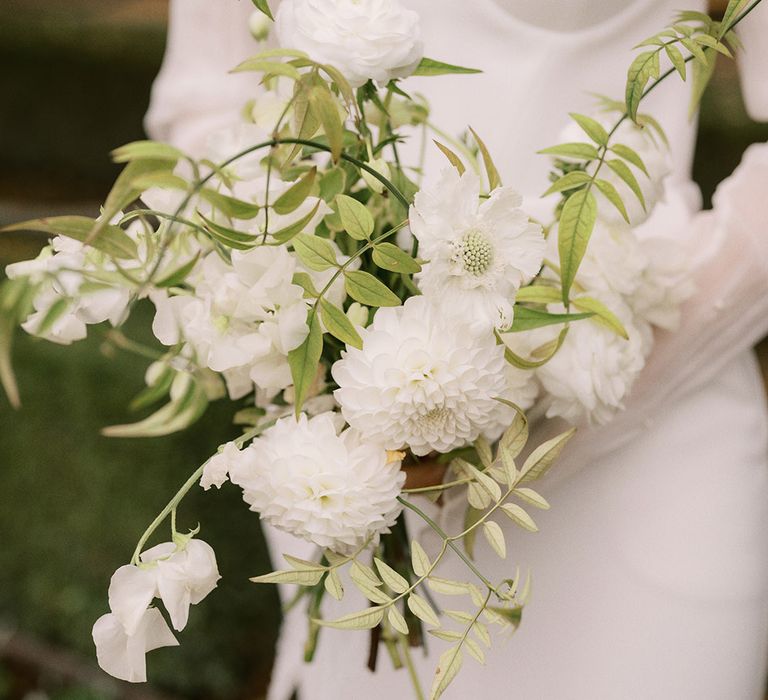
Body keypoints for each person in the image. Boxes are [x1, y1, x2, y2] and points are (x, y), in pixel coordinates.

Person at [145, 1, 768, 697]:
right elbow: (204, 105)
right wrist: (294, 310)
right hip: (365, 459)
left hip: (646, 426)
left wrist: (586, 371)